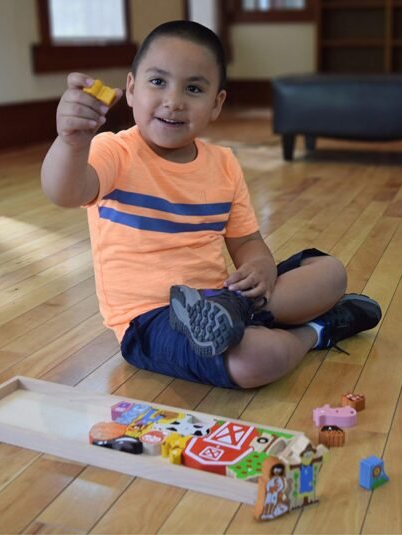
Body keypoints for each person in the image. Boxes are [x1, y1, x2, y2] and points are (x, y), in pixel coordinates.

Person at [41, 20, 382, 390]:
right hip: (150, 320)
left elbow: (246, 241)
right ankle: (318, 330)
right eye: (158, 82)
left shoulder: (223, 164)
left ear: (216, 103)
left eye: (193, 88)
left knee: (330, 272)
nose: (174, 100)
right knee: (257, 358)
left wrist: (260, 269)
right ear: (131, 88)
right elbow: (65, 192)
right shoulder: (114, 151)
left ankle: (239, 314)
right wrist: (72, 144)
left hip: (226, 299)